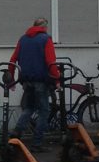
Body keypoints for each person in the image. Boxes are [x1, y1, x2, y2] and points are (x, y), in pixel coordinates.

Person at [8, 17, 60, 151]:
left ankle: (16, 133)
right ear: (45, 27)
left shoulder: (23, 39)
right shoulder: (46, 39)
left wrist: (11, 80)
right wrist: (57, 80)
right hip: (41, 81)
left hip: (26, 81)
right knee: (44, 111)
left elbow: (13, 59)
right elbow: (51, 61)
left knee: (29, 108)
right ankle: (37, 143)